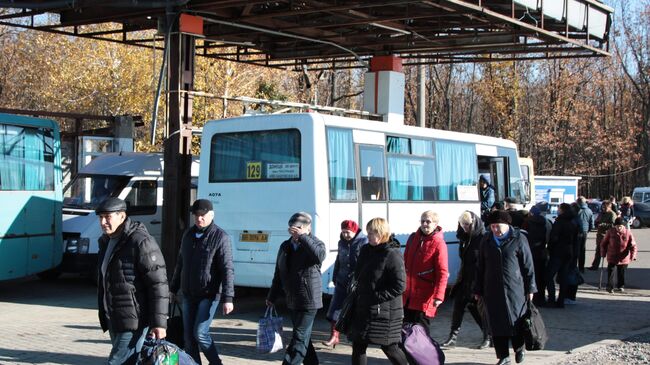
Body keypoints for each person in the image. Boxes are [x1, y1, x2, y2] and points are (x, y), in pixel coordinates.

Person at [95, 197, 169, 365]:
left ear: (122, 216)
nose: (103, 222)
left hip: (134, 319)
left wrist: (160, 323)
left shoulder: (140, 241)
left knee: (116, 362)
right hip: (114, 316)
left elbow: (158, 284)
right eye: (100, 217)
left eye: (108, 217)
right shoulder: (106, 241)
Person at [169, 199, 235, 365]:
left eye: (203, 215)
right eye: (196, 215)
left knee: (200, 333)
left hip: (209, 294)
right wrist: (173, 288)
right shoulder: (188, 235)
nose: (199, 218)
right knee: (188, 338)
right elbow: (180, 263)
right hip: (188, 294)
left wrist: (228, 298)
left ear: (211, 215)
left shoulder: (220, 237)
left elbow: (227, 269)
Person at [474, 210, 536, 365]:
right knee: (496, 324)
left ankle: (519, 348)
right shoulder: (486, 240)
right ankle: (503, 356)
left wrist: (531, 288)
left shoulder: (519, 239)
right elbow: (480, 266)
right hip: (492, 289)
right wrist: (478, 289)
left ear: (507, 224)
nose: (496, 229)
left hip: (515, 288)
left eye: (498, 226)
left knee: (516, 321)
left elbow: (528, 266)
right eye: (493, 226)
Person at [266, 212, 325, 365]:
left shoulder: (315, 243)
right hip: (292, 299)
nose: (294, 232)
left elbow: (319, 256)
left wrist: (303, 238)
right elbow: (278, 272)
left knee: (299, 337)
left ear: (307, 228)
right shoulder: (285, 246)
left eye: (298, 228)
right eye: (292, 228)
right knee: (303, 336)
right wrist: (272, 296)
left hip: (309, 299)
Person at [348, 217, 408, 365]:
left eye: (371, 233)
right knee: (358, 345)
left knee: (389, 347)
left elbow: (400, 285)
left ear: (381, 233)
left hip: (385, 311)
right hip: (363, 307)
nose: (367, 236)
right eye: (367, 232)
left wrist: (376, 296)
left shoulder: (392, 254)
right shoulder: (365, 250)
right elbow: (358, 272)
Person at [442, 211, 491, 349]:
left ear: (473, 223)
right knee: (459, 307)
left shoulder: (483, 238)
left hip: (477, 279)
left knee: (479, 309)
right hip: (464, 278)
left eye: (467, 225)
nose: (465, 227)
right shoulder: (465, 238)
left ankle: (488, 336)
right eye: (462, 224)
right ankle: (452, 337)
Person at [322, 219, 367, 349]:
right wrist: (335, 277)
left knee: (354, 310)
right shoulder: (341, 242)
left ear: (354, 231)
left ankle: (354, 337)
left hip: (356, 283)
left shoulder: (363, 242)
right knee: (334, 309)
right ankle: (334, 336)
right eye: (343, 232)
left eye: (348, 232)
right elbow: (338, 260)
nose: (345, 235)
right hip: (341, 281)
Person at [403, 210, 449, 329]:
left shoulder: (439, 243)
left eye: (428, 221)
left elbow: (442, 272)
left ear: (435, 224)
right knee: (406, 332)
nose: (424, 224)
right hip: (407, 295)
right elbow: (404, 263)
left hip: (425, 295)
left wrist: (439, 296)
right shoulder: (413, 238)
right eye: (422, 221)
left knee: (421, 333)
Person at [545, 203, 578, 308]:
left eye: (559, 208)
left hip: (558, 252)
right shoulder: (573, 221)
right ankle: (561, 301)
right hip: (569, 252)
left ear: (562, 210)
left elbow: (554, 237)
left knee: (549, 276)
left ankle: (551, 299)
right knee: (563, 277)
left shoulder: (560, 221)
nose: (557, 210)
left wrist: (549, 249)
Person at [522, 206, 551, 306]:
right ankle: (541, 298)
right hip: (541, 252)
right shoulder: (545, 222)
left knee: (531, 275)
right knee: (541, 276)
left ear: (531, 213)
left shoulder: (527, 222)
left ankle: (532, 298)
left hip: (531, 252)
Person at [600, 217, 638, 293]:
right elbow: (603, 243)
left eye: (620, 226)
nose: (618, 228)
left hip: (623, 257)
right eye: (617, 226)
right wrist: (603, 253)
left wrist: (633, 256)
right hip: (612, 255)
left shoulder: (628, 233)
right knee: (611, 272)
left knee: (621, 272)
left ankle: (620, 286)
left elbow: (633, 246)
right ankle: (610, 287)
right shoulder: (610, 232)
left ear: (624, 226)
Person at [588, 200, 617, 270]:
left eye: (605, 208)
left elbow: (613, 225)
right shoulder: (601, 213)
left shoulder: (612, 214)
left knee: (609, 252)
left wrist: (603, 224)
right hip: (600, 235)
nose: (603, 209)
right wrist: (596, 223)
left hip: (608, 235)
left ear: (609, 207)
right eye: (603, 207)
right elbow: (597, 220)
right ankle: (595, 266)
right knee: (598, 251)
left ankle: (611, 266)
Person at [574, 197, 595, 273]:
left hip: (576, 231)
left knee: (575, 249)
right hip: (584, 231)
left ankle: (574, 267)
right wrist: (588, 230)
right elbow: (592, 223)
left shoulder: (575, 210)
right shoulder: (589, 211)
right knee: (582, 250)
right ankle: (581, 268)